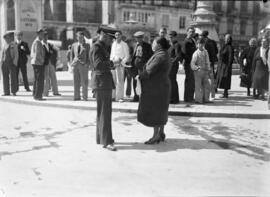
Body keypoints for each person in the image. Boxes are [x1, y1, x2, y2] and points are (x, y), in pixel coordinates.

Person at [136, 36, 171, 144]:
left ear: (159, 45)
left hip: (156, 88)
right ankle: (161, 133)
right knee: (161, 110)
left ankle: (156, 136)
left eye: (153, 43)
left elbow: (149, 71)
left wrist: (138, 76)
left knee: (156, 111)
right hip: (161, 86)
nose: (152, 45)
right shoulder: (163, 54)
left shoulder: (160, 56)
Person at [90, 26, 117, 151]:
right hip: (102, 83)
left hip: (102, 83)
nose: (111, 42)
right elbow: (98, 65)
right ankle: (106, 141)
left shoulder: (100, 47)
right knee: (105, 112)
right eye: (110, 39)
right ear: (105, 36)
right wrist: (112, 63)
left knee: (102, 112)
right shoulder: (97, 47)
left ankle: (100, 137)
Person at [131, 31, 153, 102]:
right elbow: (133, 55)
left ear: (142, 38)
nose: (138, 39)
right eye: (137, 38)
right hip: (135, 67)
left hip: (143, 67)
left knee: (142, 81)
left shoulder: (147, 46)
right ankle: (136, 96)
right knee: (135, 82)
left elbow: (151, 56)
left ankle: (143, 96)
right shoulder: (135, 45)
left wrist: (147, 65)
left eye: (140, 38)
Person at [70, 31, 90, 101]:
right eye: (79, 37)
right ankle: (76, 96)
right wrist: (71, 65)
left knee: (84, 82)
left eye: (81, 37)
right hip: (75, 65)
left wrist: (87, 64)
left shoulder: (87, 45)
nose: (80, 38)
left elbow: (89, 56)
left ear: (83, 37)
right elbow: (71, 56)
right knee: (76, 81)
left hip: (83, 65)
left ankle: (85, 97)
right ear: (77, 37)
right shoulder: (73, 45)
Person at [110, 31, 130, 102]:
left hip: (121, 64)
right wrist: (112, 61)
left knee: (120, 81)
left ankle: (120, 97)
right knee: (113, 80)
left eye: (118, 35)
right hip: (114, 64)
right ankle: (113, 96)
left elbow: (127, 56)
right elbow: (111, 54)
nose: (117, 36)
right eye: (116, 35)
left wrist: (121, 62)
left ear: (121, 36)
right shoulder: (113, 44)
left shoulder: (124, 44)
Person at [191, 37, 211, 104]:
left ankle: (206, 99)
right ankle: (198, 100)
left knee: (206, 85)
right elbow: (192, 63)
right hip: (198, 72)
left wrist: (208, 69)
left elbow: (208, 61)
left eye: (202, 44)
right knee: (198, 86)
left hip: (205, 71)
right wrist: (196, 68)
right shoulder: (195, 53)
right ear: (197, 44)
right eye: (199, 44)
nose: (201, 45)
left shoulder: (206, 52)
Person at [200, 30, 218, 100]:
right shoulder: (213, 41)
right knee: (211, 78)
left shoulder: (204, 43)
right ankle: (213, 93)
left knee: (206, 79)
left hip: (206, 63)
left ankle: (207, 94)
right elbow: (216, 51)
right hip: (211, 62)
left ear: (203, 36)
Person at [42, 31, 61, 97]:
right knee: (46, 78)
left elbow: (58, 49)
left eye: (46, 36)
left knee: (53, 77)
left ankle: (55, 92)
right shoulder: (40, 44)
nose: (45, 38)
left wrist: (58, 58)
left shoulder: (50, 44)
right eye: (44, 36)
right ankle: (45, 93)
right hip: (44, 64)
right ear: (42, 37)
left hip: (51, 63)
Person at [216, 34, 234, 98]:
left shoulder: (229, 47)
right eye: (226, 38)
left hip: (226, 66)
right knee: (223, 79)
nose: (226, 39)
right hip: (222, 65)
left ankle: (225, 93)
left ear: (229, 39)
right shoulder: (224, 46)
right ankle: (224, 93)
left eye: (227, 38)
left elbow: (230, 57)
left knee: (226, 79)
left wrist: (229, 65)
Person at [182, 27, 197, 102]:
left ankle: (190, 97)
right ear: (187, 32)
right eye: (190, 31)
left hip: (193, 64)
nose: (191, 33)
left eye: (193, 32)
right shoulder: (186, 42)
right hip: (188, 64)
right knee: (189, 81)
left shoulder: (192, 41)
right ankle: (187, 98)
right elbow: (184, 54)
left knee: (192, 81)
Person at [1, 32, 18, 96]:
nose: (6, 39)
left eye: (7, 38)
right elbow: (2, 54)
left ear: (9, 38)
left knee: (13, 77)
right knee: (5, 78)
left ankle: (13, 91)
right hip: (4, 63)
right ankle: (6, 92)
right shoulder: (4, 45)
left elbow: (16, 54)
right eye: (5, 38)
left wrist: (14, 63)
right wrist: (1, 61)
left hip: (11, 63)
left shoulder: (13, 44)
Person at [31, 28, 46, 100]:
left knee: (36, 79)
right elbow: (37, 54)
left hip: (35, 62)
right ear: (38, 34)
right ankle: (38, 96)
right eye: (42, 34)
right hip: (38, 63)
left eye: (43, 34)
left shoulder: (37, 41)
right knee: (40, 80)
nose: (43, 35)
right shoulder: (37, 42)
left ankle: (35, 94)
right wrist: (42, 61)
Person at [168, 31, 182, 104]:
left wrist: (172, 61)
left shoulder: (177, 45)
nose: (170, 38)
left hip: (173, 66)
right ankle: (172, 98)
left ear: (175, 37)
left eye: (172, 37)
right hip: (170, 65)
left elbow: (178, 56)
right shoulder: (171, 45)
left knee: (172, 81)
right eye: (170, 37)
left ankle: (174, 99)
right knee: (171, 81)